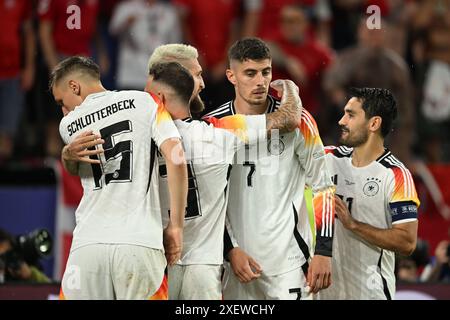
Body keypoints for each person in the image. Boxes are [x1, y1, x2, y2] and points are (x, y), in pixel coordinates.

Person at [146, 61, 303, 299]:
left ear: (160, 97)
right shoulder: (219, 132)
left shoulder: (141, 140)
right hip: (204, 266)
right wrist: (291, 88)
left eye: (149, 95)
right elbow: (290, 118)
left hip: (159, 261)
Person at [203, 37, 335, 300]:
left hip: (290, 263)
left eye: (266, 72)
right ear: (231, 76)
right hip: (238, 265)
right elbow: (211, 200)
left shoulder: (301, 122)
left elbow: (323, 186)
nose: (260, 81)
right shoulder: (214, 126)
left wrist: (323, 251)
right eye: (250, 73)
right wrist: (230, 250)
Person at [51, 56, 188, 299]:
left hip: (87, 247)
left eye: (62, 101)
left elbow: (74, 167)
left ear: (75, 86)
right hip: (138, 244)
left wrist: (65, 154)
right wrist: (175, 225)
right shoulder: (145, 101)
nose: (63, 110)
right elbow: (176, 157)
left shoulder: (68, 124)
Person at [320, 87, 420, 300]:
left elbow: (407, 242)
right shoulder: (327, 158)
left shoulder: (396, 175)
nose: (341, 121)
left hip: (369, 293)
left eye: (351, 115)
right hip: (323, 292)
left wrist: (353, 224)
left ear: (374, 123)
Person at [0, 0, 35, 161]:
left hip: (11, 72)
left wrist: (29, 66)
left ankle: (5, 178)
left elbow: (28, 32)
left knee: (7, 131)